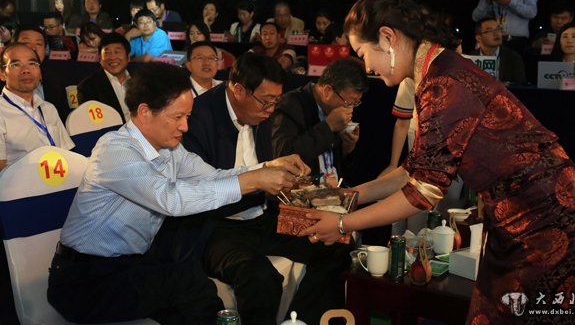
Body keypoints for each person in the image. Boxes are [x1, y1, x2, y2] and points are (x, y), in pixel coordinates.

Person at [301, 0, 575, 325]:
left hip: (549, 218)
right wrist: (351, 195)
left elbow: (423, 192)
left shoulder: (444, 81)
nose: (367, 67)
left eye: (363, 54)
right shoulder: (435, 70)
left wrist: (342, 223)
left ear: (387, 38)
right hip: (523, 216)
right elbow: (416, 168)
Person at [47, 61, 308, 324]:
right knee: (190, 285)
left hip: (132, 266)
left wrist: (267, 168)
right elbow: (171, 199)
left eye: (188, 117)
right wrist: (254, 181)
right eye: (177, 117)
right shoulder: (115, 151)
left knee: (190, 289)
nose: (185, 127)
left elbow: (212, 176)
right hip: (85, 280)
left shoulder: (170, 149)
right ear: (145, 112)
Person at [183, 53, 350, 325]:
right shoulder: (198, 117)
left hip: (261, 216)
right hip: (216, 227)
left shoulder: (261, 113)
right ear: (238, 90)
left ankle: (299, 321)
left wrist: (284, 179)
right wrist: (262, 179)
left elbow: (266, 167)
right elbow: (200, 190)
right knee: (259, 277)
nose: (271, 109)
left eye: (276, 101)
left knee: (335, 244)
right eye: (266, 100)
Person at [271, 58, 367, 186]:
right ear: (327, 91)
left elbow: (335, 164)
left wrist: (346, 147)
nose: (351, 109)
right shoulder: (290, 105)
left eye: (355, 103)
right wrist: (328, 127)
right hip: (304, 192)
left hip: (333, 189)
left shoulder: (332, 109)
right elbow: (283, 155)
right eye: (349, 102)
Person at [0, 43, 74, 171]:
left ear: (40, 73)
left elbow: (67, 153)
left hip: (58, 178)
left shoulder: (48, 108)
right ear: (2, 74)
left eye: (32, 63)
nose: (26, 70)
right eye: (16, 64)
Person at [78, 32, 132, 122]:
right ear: (99, 58)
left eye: (117, 52)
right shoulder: (88, 87)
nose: (112, 57)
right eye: (107, 53)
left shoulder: (143, 80)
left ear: (128, 57)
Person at [469, 17, 527, 85]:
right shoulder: (470, 59)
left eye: (498, 29)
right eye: (490, 31)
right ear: (478, 38)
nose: (496, 34)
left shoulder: (513, 57)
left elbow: (520, 85)